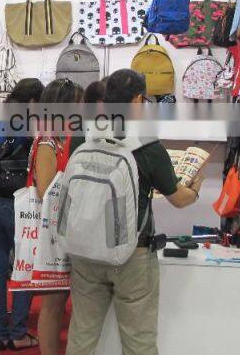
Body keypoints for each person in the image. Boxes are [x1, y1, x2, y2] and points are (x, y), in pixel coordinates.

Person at [65, 69, 204, 355]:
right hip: (132, 254)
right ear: (139, 100)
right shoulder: (147, 145)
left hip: (85, 249)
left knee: (81, 336)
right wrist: (194, 190)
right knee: (139, 342)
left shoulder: (83, 136)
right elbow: (178, 199)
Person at [0, 78, 44, 351]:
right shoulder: (31, 128)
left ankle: (0, 333)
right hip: (16, 203)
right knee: (24, 264)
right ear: (33, 101)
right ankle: (18, 332)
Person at [32, 78, 84, 355]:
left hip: (66, 229)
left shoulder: (65, 139)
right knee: (53, 304)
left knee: (61, 302)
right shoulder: (47, 142)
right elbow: (45, 191)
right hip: (52, 233)